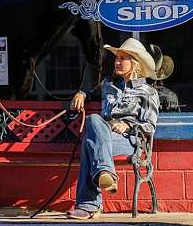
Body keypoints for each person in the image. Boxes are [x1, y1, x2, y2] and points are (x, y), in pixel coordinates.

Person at [66, 38, 160, 220]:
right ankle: (105, 172)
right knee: (93, 121)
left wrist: (129, 125)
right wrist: (81, 93)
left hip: (129, 140)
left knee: (89, 143)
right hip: (105, 136)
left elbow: (150, 126)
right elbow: (91, 91)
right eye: (117, 57)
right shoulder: (108, 85)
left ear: (135, 63)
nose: (117, 61)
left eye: (123, 58)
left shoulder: (148, 92)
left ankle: (88, 205)